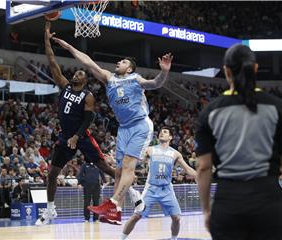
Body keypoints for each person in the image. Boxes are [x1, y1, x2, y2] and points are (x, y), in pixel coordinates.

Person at [52, 30, 173, 224]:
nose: (119, 62)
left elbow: (154, 83)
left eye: (124, 62)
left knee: (127, 166)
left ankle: (113, 202)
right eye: (120, 61)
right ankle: (116, 213)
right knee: (118, 171)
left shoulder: (136, 79)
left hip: (140, 125)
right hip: (123, 128)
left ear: (130, 69)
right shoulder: (108, 78)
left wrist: (164, 71)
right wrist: (67, 46)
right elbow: (87, 61)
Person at [35, 21, 141, 225]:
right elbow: (51, 59)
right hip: (65, 138)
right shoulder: (65, 86)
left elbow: (89, 119)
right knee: (52, 174)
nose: (76, 74)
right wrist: (46, 38)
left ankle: (133, 193)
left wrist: (77, 136)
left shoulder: (87, 95)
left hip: (82, 137)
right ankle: (50, 210)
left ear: (84, 80)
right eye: (75, 73)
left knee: (106, 168)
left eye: (80, 74)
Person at [195, 44, 282, 240]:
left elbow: (203, 168)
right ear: (256, 69)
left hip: (228, 206)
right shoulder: (276, 107)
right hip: (269, 204)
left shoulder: (210, 112)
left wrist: (207, 210)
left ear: (226, 71)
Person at [121, 127, 197, 240]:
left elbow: (188, 169)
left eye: (165, 132)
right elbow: (135, 159)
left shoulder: (175, 154)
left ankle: (174, 239)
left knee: (176, 218)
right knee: (136, 216)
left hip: (167, 190)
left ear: (170, 137)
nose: (162, 133)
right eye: (161, 131)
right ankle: (122, 238)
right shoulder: (150, 150)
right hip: (151, 188)